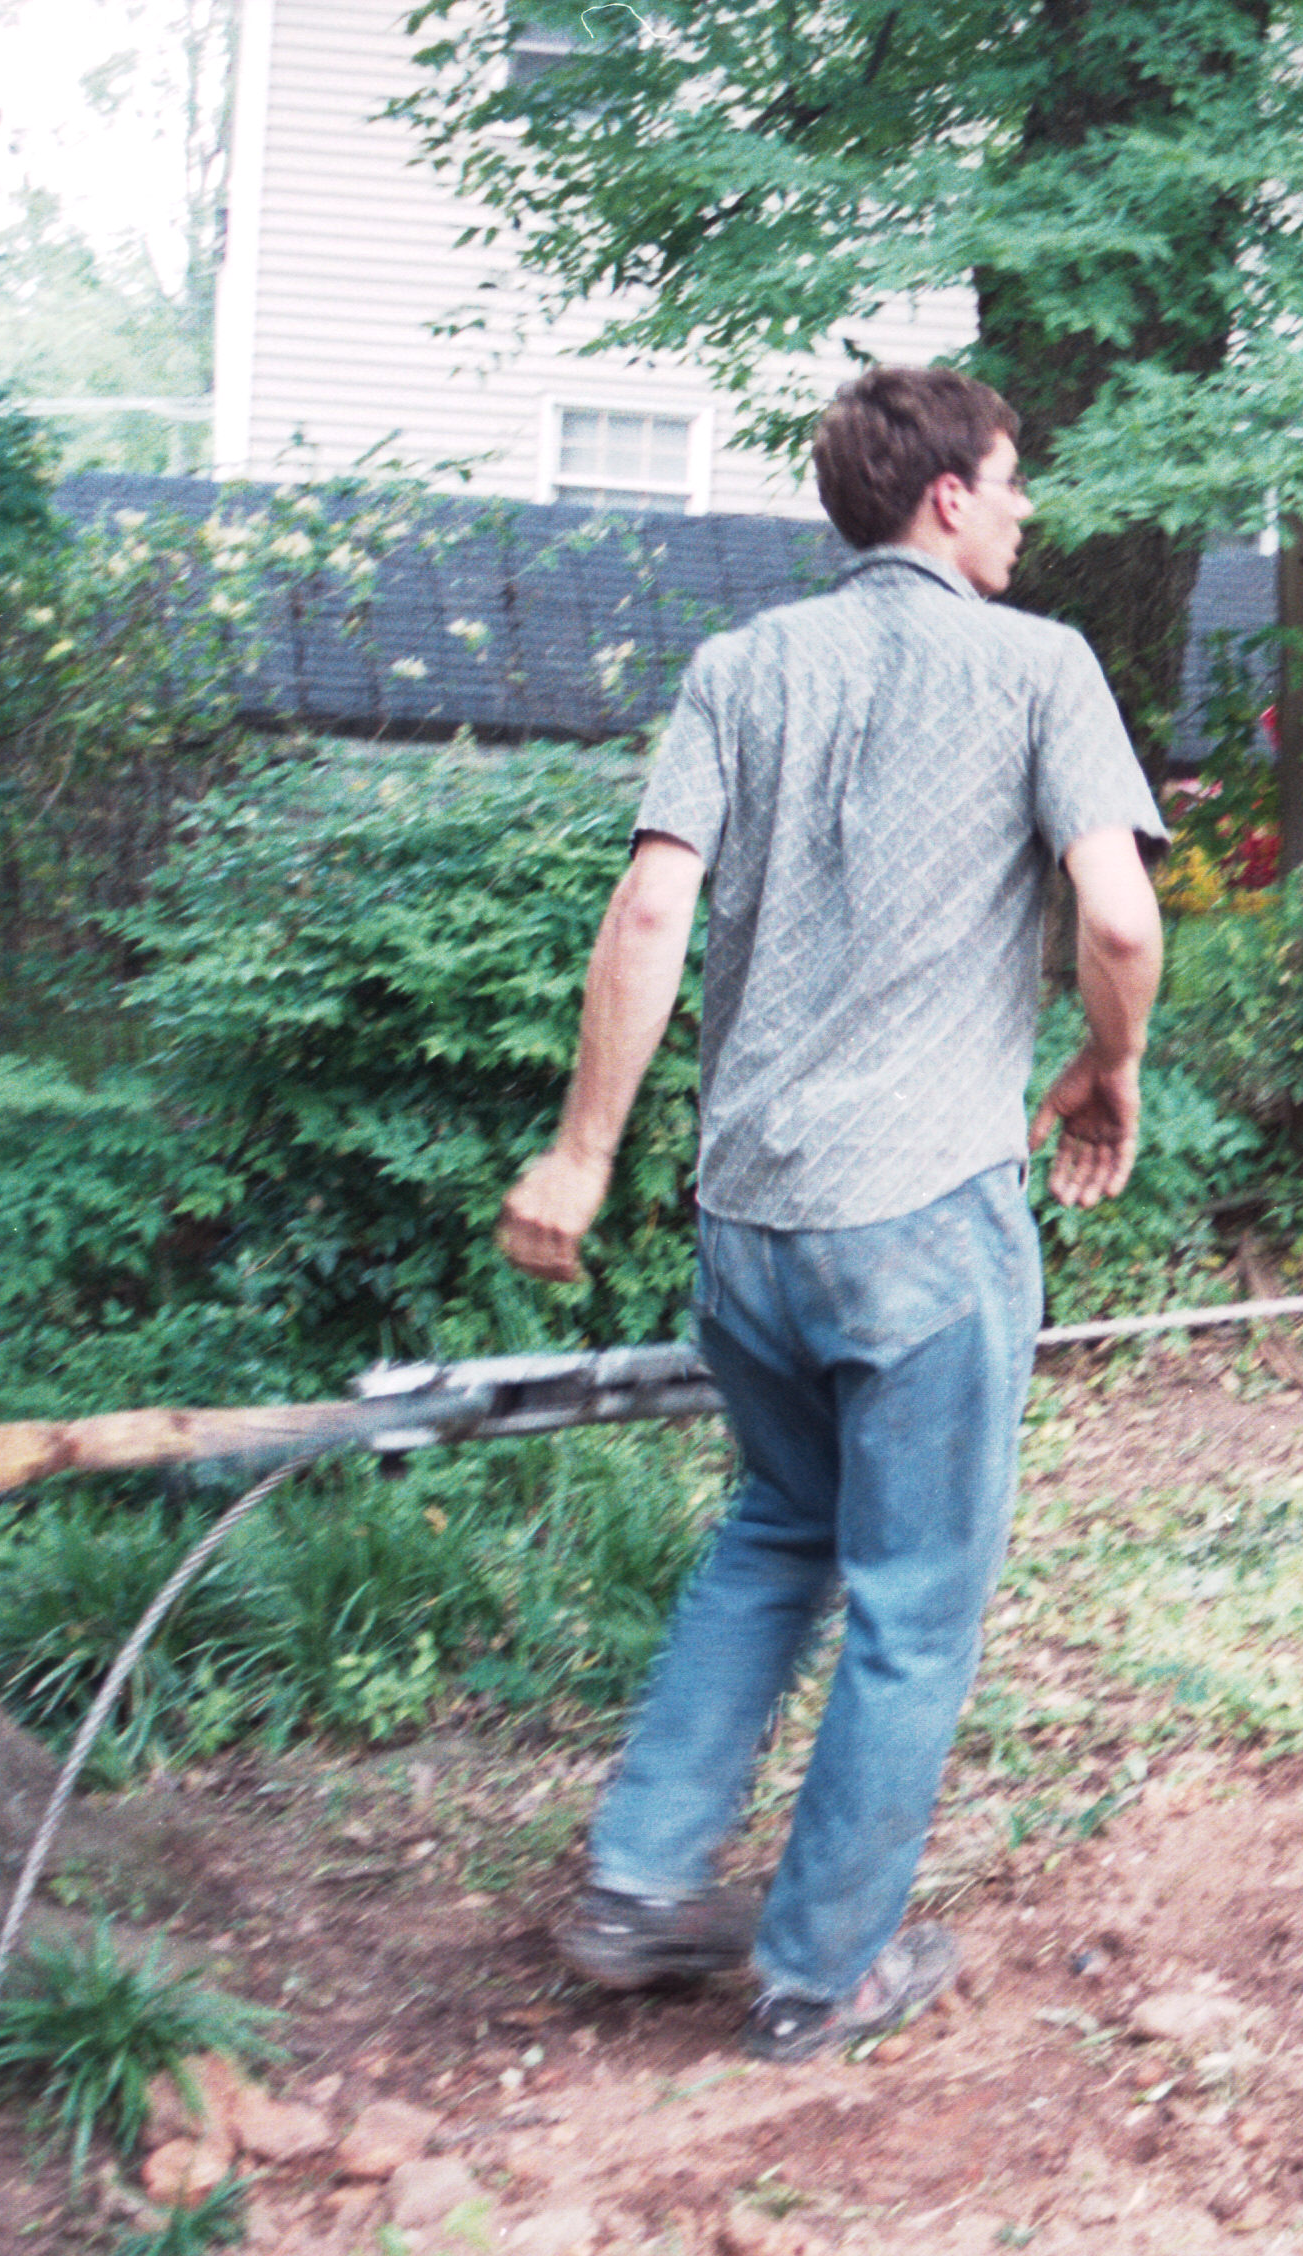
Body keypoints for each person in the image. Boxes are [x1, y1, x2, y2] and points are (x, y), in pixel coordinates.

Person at [495, 365, 1165, 2062]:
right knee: (917, 1601)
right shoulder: (1042, 669)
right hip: (926, 1222)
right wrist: (1111, 1064)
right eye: (1012, 482)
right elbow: (1125, 920)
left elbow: (653, 910)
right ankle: (821, 1969)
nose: (1026, 510)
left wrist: (581, 1156)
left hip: (751, 1223)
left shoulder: (744, 667)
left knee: (780, 1531)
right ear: (947, 494)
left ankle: (642, 1887)